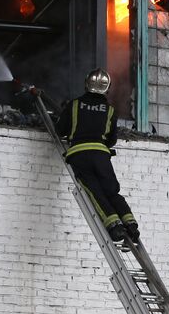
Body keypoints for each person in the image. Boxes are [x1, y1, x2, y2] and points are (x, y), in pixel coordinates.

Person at [54, 70, 138, 244]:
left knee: (94, 191)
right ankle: (130, 223)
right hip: (101, 156)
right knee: (111, 190)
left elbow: (60, 130)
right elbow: (111, 140)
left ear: (86, 84)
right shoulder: (110, 110)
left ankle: (114, 225)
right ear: (107, 88)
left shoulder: (74, 105)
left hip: (79, 155)